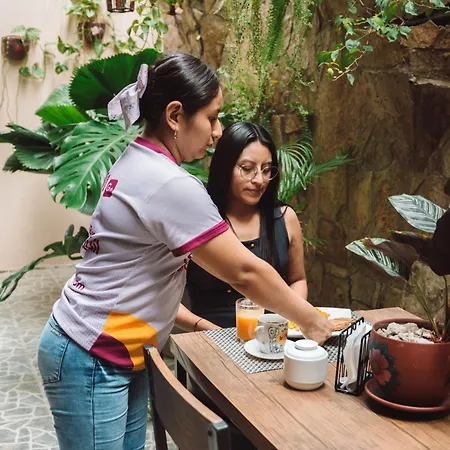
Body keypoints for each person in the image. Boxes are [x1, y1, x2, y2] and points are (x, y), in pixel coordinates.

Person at [37, 53, 332, 450]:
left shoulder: (138, 159)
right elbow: (244, 272)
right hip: (92, 354)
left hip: (113, 349)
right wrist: (311, 321)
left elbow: (144, 272)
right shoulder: (168, 182)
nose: (218, 131)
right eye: (212, 117)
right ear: (175, 115)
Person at [177, 122, 308, 329]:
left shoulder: (285, 218)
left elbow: (297, 279)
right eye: (247, 169)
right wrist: (208, 330)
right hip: (208, 337)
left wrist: (287, 323)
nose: (259, 180)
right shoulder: (197, 221)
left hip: (272, 337)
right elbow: (163, 297)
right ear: (224, 167)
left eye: (267, 170)